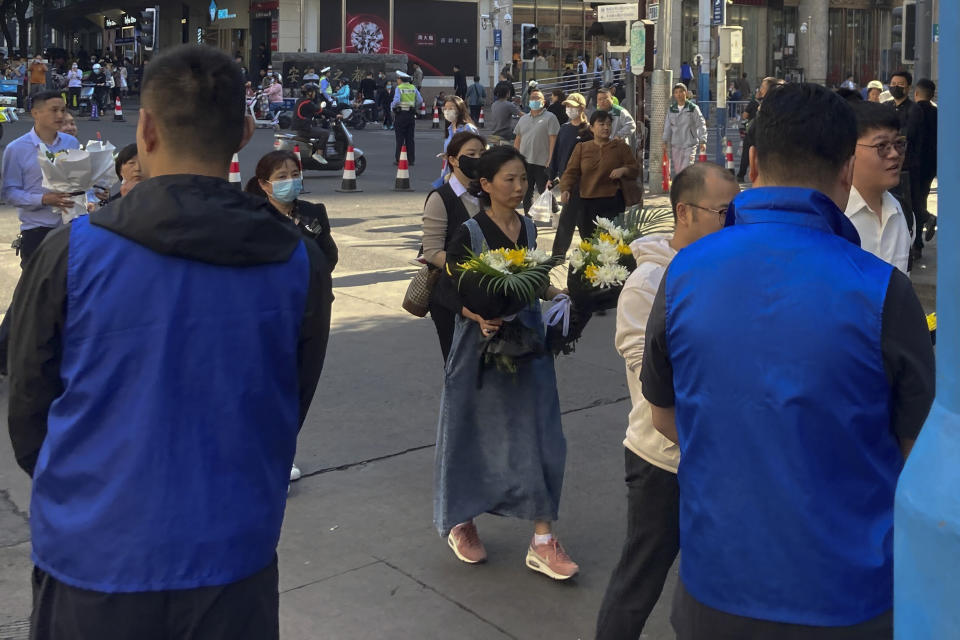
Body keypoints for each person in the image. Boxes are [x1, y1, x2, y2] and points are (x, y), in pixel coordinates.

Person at [7, 44, 333, 640]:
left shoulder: (72, 253)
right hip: (233, 554)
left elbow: (28, 404)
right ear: (244, 131)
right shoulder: (299, 261)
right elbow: (293, 396)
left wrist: (85, 487)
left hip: (93, 557)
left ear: (146, 127)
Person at [640, 82, 935, 640]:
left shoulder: (683, 274)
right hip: (849, 596)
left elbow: (664, 416)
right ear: (847, 170)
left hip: (716, 587)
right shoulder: (883, 292)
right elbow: (915, 449)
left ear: (751, 160)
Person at [595, 163, 739, 640]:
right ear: (684, 211)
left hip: (719, 454)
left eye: (735, 212)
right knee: (642, 574)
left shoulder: (727, 268)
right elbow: (652, 377)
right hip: (663, 458)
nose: (731, 222)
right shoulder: (648, 282)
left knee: (714, 581)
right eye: (723, 212)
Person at [437, 145, 577, 580]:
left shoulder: (530, 228)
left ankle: (542, 538)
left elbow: (533, 282)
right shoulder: (469, 233)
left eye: (523, 179)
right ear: (487, 185)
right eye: (510, 180)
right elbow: (448, 290)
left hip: (528, 345)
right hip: (479, 350)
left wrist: (563, 296)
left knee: (540, 435)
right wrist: (475, 313)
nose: (520, 188)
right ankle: (462, 520)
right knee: (472, 434)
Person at [421, 131, 486, 360]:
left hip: (486, 293)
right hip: (451, 295)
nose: (477, 159)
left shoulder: (487, 194)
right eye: (471, 154)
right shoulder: (441, 198)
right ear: (453, 160)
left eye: (481, 154)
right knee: (458, 365)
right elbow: (431, 251)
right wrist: (471, 269)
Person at [843, 101, 911, 274]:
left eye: (898, 143)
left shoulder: (903, 212)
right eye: (882, 146)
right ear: (848, 151)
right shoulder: (833, 218)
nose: (894, 154)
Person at [559, 109, 638, 238]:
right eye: (601, 124)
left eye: (608, 124)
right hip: (586, 201)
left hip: (613, 201)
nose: (606, 127)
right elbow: (571, 172)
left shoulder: (620, 147)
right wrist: (565, 189)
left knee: (611, 242)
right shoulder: (582, 148)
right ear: (592, 128)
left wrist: (623, 170)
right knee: (589, 240)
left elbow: (635, 169)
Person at [547, 92, 591, 256]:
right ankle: (559, 254)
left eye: (572, 106)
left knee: (578, 218)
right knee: (570, 218)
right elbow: (557, 154)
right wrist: (551, 177)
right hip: (566, 180)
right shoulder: (564, 129)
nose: (569, 109)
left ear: (581, 108)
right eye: (567, 106)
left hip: (584, 182)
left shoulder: (588, 131)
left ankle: (589, 251)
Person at [513, 88, 560, 214]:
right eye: (532, 98)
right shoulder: (523, 119)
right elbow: (518, 139)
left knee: (543, 190)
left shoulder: (550, 118)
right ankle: (528, 217)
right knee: (526, 192)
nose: (534, 100)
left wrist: (551, 159)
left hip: (542, 162)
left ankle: (556, 211)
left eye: (537, 98)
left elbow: (553, 140)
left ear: (544, 102)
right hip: (525, 161)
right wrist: (515, 158)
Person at [884, 70, 915, 256]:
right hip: (887, 165)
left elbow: (907, 135)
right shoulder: (886, 106)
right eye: (893, 83)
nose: (895, 87)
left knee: (909, 204)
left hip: (909, 166)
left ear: (908, 87)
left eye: (900, 84)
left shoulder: (913, 110)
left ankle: (914, 243)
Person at [909, 78, 937, 250]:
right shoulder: (938, 113)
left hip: (915, 164)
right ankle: (918, 243)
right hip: (931, 165)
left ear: (916, 93)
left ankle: (925, 223)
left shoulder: (914, 111)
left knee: (913, 202)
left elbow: (910, 136)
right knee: (921, 199)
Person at [663, 83, 707, 178]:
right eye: (676, 92)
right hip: (676, 145)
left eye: (681, 92)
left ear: (686, 93)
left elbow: (701, 124)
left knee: (685, 168)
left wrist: (703, 140)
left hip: (689, 144)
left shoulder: (693, 108)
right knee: (679, 171)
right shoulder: (671, 109)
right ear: (674, 95)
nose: (679, 94)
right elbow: (667, 126)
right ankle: (688, 187)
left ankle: (687, 190)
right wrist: (665, 140)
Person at [737, 76, 777, 182]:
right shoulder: (762, 103)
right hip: (754, 135)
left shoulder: (772, 104)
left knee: (752, 156)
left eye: (763, 87)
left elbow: (745, 116)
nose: (760, 89)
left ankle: (745, 175)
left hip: (761, 138)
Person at [436, 95, 477, 186]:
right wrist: (447, 155)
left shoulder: (468, 128)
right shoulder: (449, 129)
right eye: (445, 108)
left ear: (459, 109)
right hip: (449, 174)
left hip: (464, 175)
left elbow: (475, 151)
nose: (447, 111)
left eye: (451, 108)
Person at [391, 70, 424, 166]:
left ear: (401, 79)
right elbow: (420, 100)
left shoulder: (399, 88)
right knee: (410, 138)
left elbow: (396, 101)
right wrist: (414, 107)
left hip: (401, 115)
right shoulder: (413, 87)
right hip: (410, 115)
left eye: (398, 79)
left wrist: (392, 107)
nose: (397, 81)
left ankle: (399, 159)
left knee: (400, 138)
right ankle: (411, 160)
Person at [291, 83, 329, 164]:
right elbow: (321, 110)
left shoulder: (300, 100)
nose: (315, 94)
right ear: (310, 93)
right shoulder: (307, 102)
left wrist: (319, 116)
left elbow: (309, 112)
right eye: (314, 92)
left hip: (301, 128)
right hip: (304, 129)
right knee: (325, 133)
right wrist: (336, 115)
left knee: (318, 130)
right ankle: (319, 154)